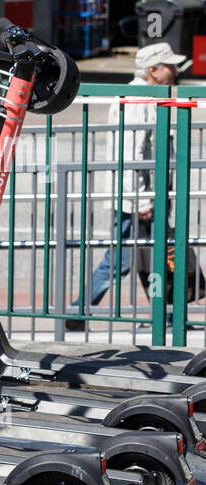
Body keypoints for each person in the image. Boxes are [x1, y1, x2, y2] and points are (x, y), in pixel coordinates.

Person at [68, 41, 191, 330]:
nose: (175, 71)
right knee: (121, 260)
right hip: (135, 198)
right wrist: (142, 201)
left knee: (155, 255)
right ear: (153, 70)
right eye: (169, 66)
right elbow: (132, 156)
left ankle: (168, 316)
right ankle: (77, 313)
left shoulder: (146, 94)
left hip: (142, 195)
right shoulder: (138, 98)